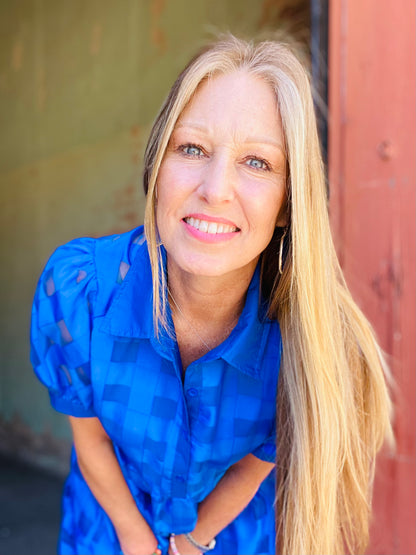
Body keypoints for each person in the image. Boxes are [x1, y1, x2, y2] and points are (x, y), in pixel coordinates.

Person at [30, 35, 393, 555]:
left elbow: (255, 463)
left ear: (289, 204)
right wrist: (136, 541)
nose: (215, 188)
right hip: (105, 527)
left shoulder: (309, 338)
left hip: (227, 535)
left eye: (258, 163)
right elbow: (90, 441)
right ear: (158, 167)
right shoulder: (78, 292)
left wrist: (190, 543)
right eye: (192, 148)